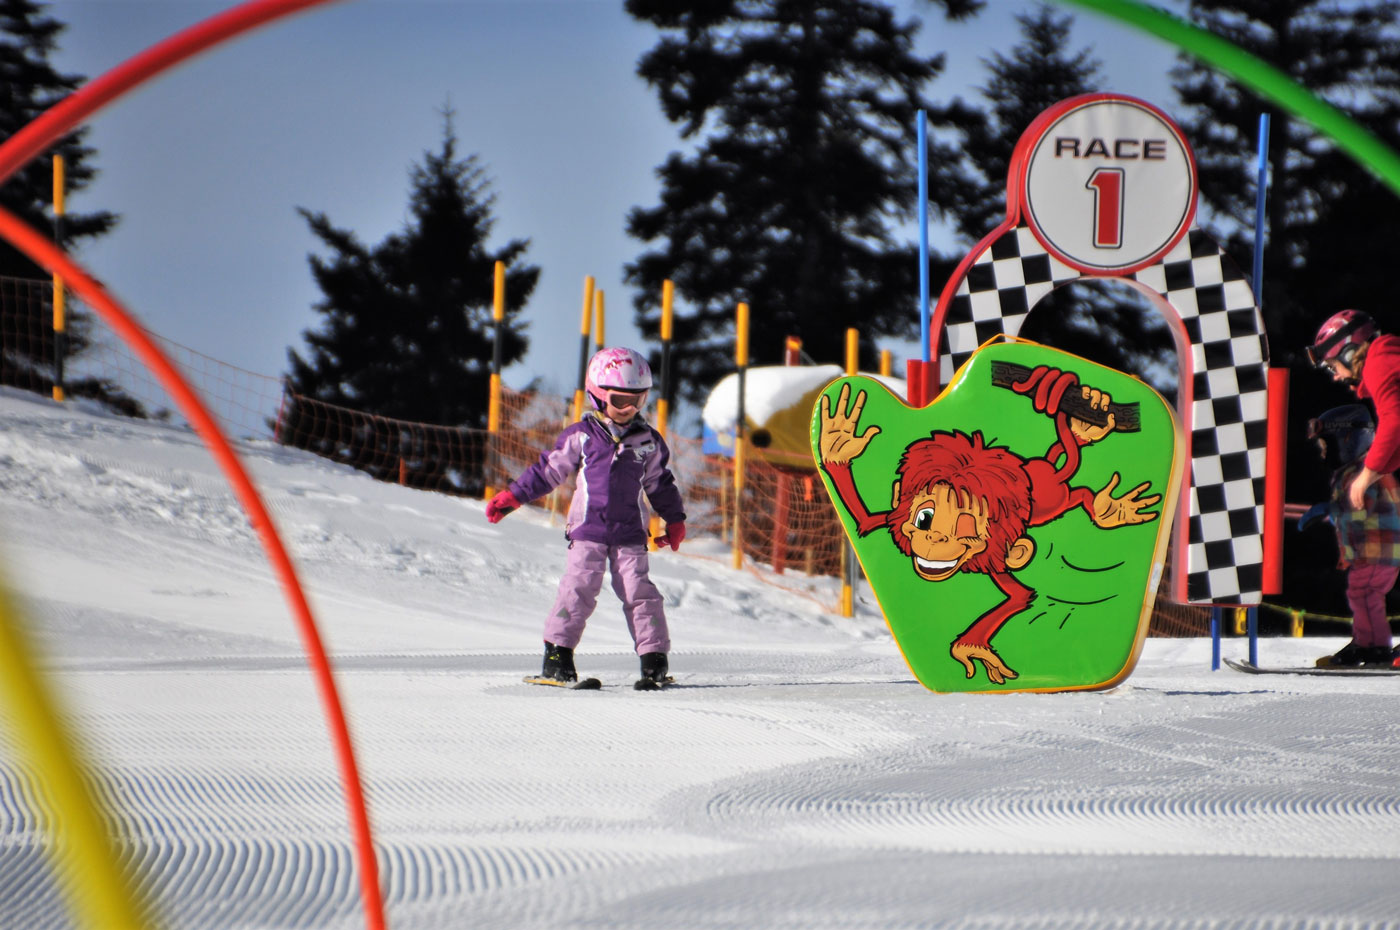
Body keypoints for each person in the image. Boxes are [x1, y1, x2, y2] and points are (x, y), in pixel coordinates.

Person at [484, 346, 687, 686]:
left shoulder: (648, 442)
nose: (630, 409)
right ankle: (557, 658)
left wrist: (675, 519)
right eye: (622, 401)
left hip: (629, 534)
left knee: (641, 592)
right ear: (597, 396)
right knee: (578, 588)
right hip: (587, 530)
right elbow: (548, 471)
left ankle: (654, 662)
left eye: (639, 401)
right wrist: (514, 496)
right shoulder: (582, 435)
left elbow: (660, 484)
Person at [1297, 404, 1400, 667]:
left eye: (1326, 444)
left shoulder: (1364, 473)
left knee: (1363, 593)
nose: (1322, 453)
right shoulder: (1350, 472)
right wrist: (1345, 553)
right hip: (1370, 553)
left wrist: (1327, 508)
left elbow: (1358, 508)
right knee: (1362, 594)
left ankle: (1372, 647)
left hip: (1378, 552)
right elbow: (1351, 521)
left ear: (1347, 439)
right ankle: (1369, 644)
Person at [1307, 310, 1400, 510]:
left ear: (1348, 354)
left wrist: (1367, 473)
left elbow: (1393, 422)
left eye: (1333, 367)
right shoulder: (1385, 360)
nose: (1336, 376)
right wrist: (1377, 472)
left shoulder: (1376, 365)